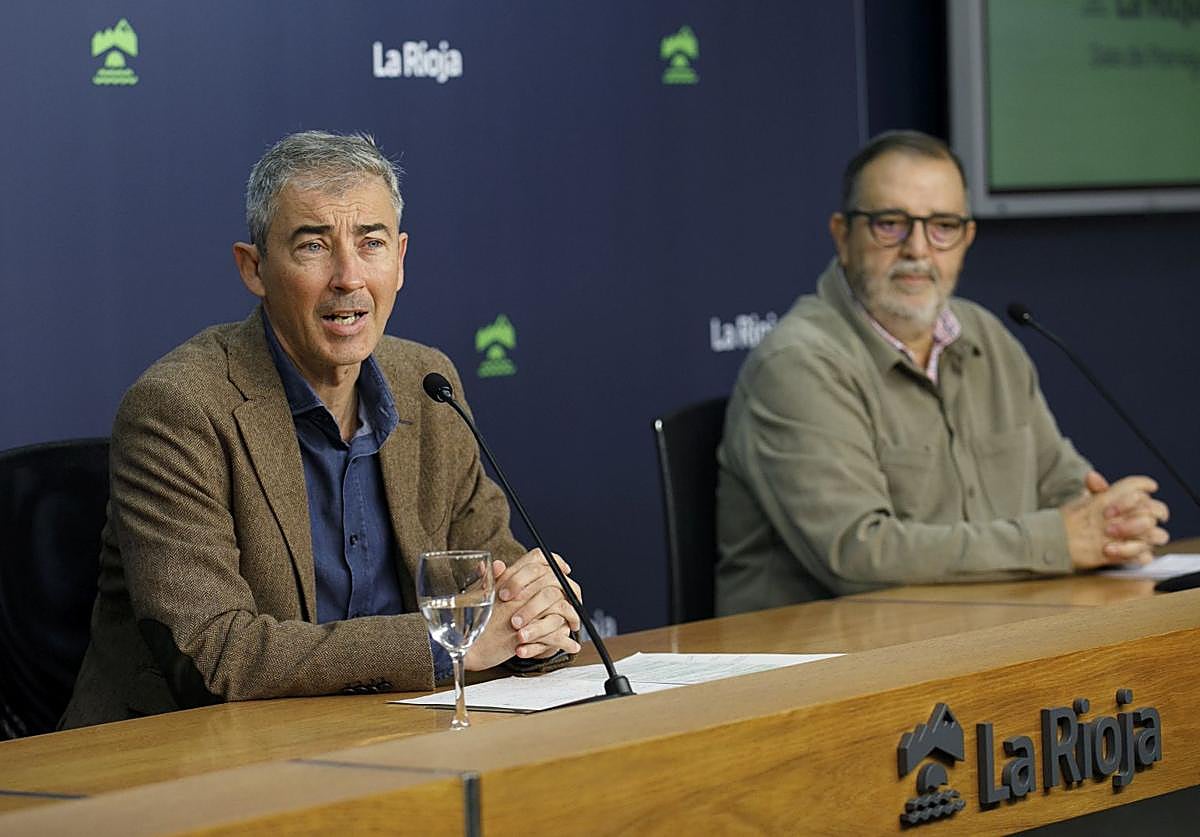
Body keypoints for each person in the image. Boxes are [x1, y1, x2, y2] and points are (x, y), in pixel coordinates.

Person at [61, 131, 581, 728]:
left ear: (401, 260)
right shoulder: (178, 407)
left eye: (372, 243)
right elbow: (214, 653)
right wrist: (443, 646)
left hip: (398, 735)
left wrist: (538, 613)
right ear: (254, 268)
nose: (349, 277)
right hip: (186, 764)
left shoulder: (428, 384)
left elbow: (499, 584)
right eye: (313, 246)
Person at [715, 130, 1169, 615]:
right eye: (890, 224)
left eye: (942, 226)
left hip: (970, 637)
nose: (918, 249)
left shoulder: (986, 338)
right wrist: (1060, 539)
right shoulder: (799, 364)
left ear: (966, 237)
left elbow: (1058, 479)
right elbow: (857, 555)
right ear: (842, 236)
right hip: (818, 667)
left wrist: (1114, 522)